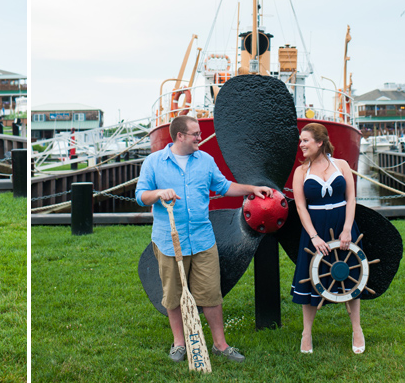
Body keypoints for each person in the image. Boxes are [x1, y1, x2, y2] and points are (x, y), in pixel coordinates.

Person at [136, 115, 271, 364]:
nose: (200, 137)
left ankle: (220, 345)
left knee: (210, 294)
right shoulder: (155, 162)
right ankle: (179, 344)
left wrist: (252, 189)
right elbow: (141, 195)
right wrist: (157, 193)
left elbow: (224, 187)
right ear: (180, 136)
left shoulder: (205, 160)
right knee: (173, 294)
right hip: (168, 242)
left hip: (202, 240)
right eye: (195, 134)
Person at [291, 122, 364, 354]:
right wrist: (313, 236)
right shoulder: (301, 172)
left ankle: (357, 329)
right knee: (310, 278)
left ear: (320, 142)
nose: (300, 144)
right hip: (316, 230)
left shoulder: (341, 165)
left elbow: (351, 199)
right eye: (301, 140)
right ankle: (306, 333)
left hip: (343, 225)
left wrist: (347, 229)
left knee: (351, 276)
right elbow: (301, 207)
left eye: (305, 140)